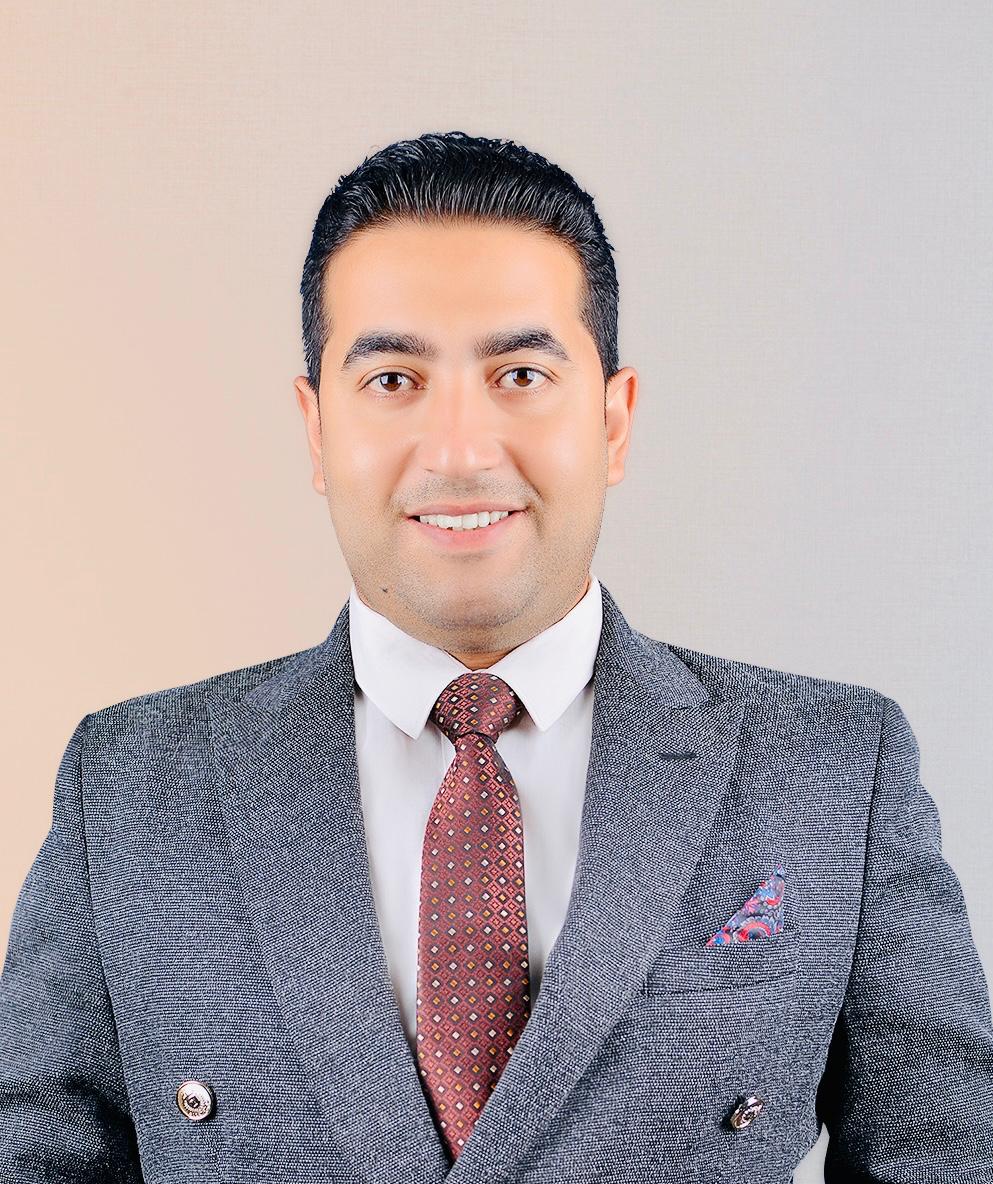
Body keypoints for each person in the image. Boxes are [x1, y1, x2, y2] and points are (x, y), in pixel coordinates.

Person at [2, 130, 991, 1184]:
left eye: (520, 374)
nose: (461, 451)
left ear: (614, 420)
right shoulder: (131, 786)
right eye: (393, 379)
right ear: (316, 429)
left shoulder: (832, 767)